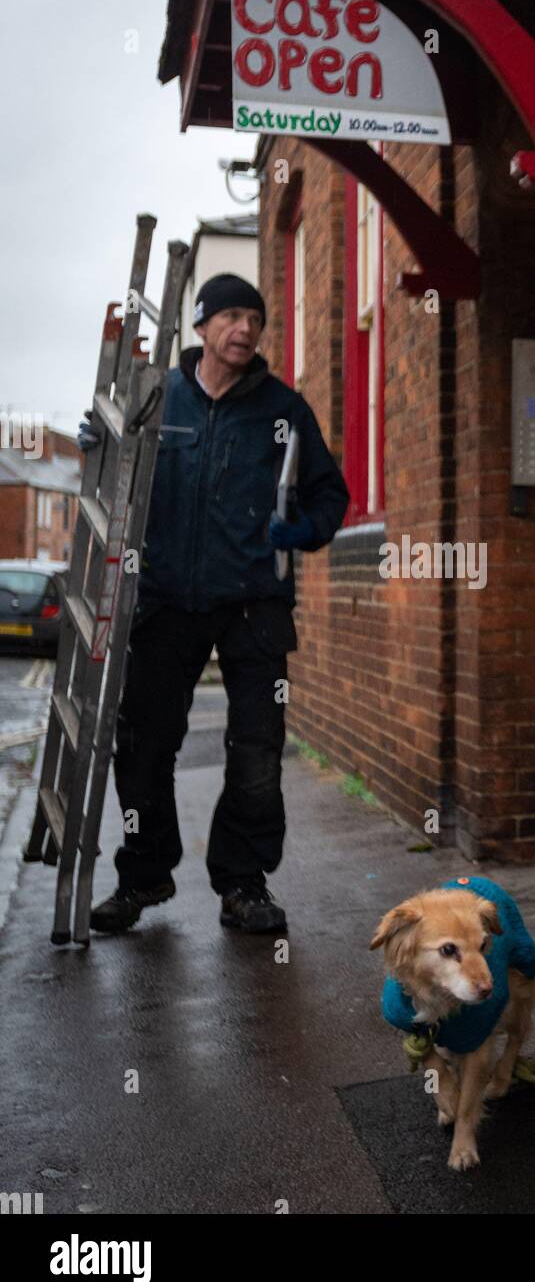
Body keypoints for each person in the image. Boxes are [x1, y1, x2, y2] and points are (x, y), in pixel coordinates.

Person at [82, 274, 349, 935]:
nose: (245, 329)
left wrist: (303, 532)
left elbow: (328, 495)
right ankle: (143, 876)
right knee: (143, 744)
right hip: (165, 599)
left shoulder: (283, 407)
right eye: (230, 316)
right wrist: (99, 441)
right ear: (200, 327)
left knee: (256, 746)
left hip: (254, 601)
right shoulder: (157, 398)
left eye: (254, 319)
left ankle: (243, 883)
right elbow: (113, 465)